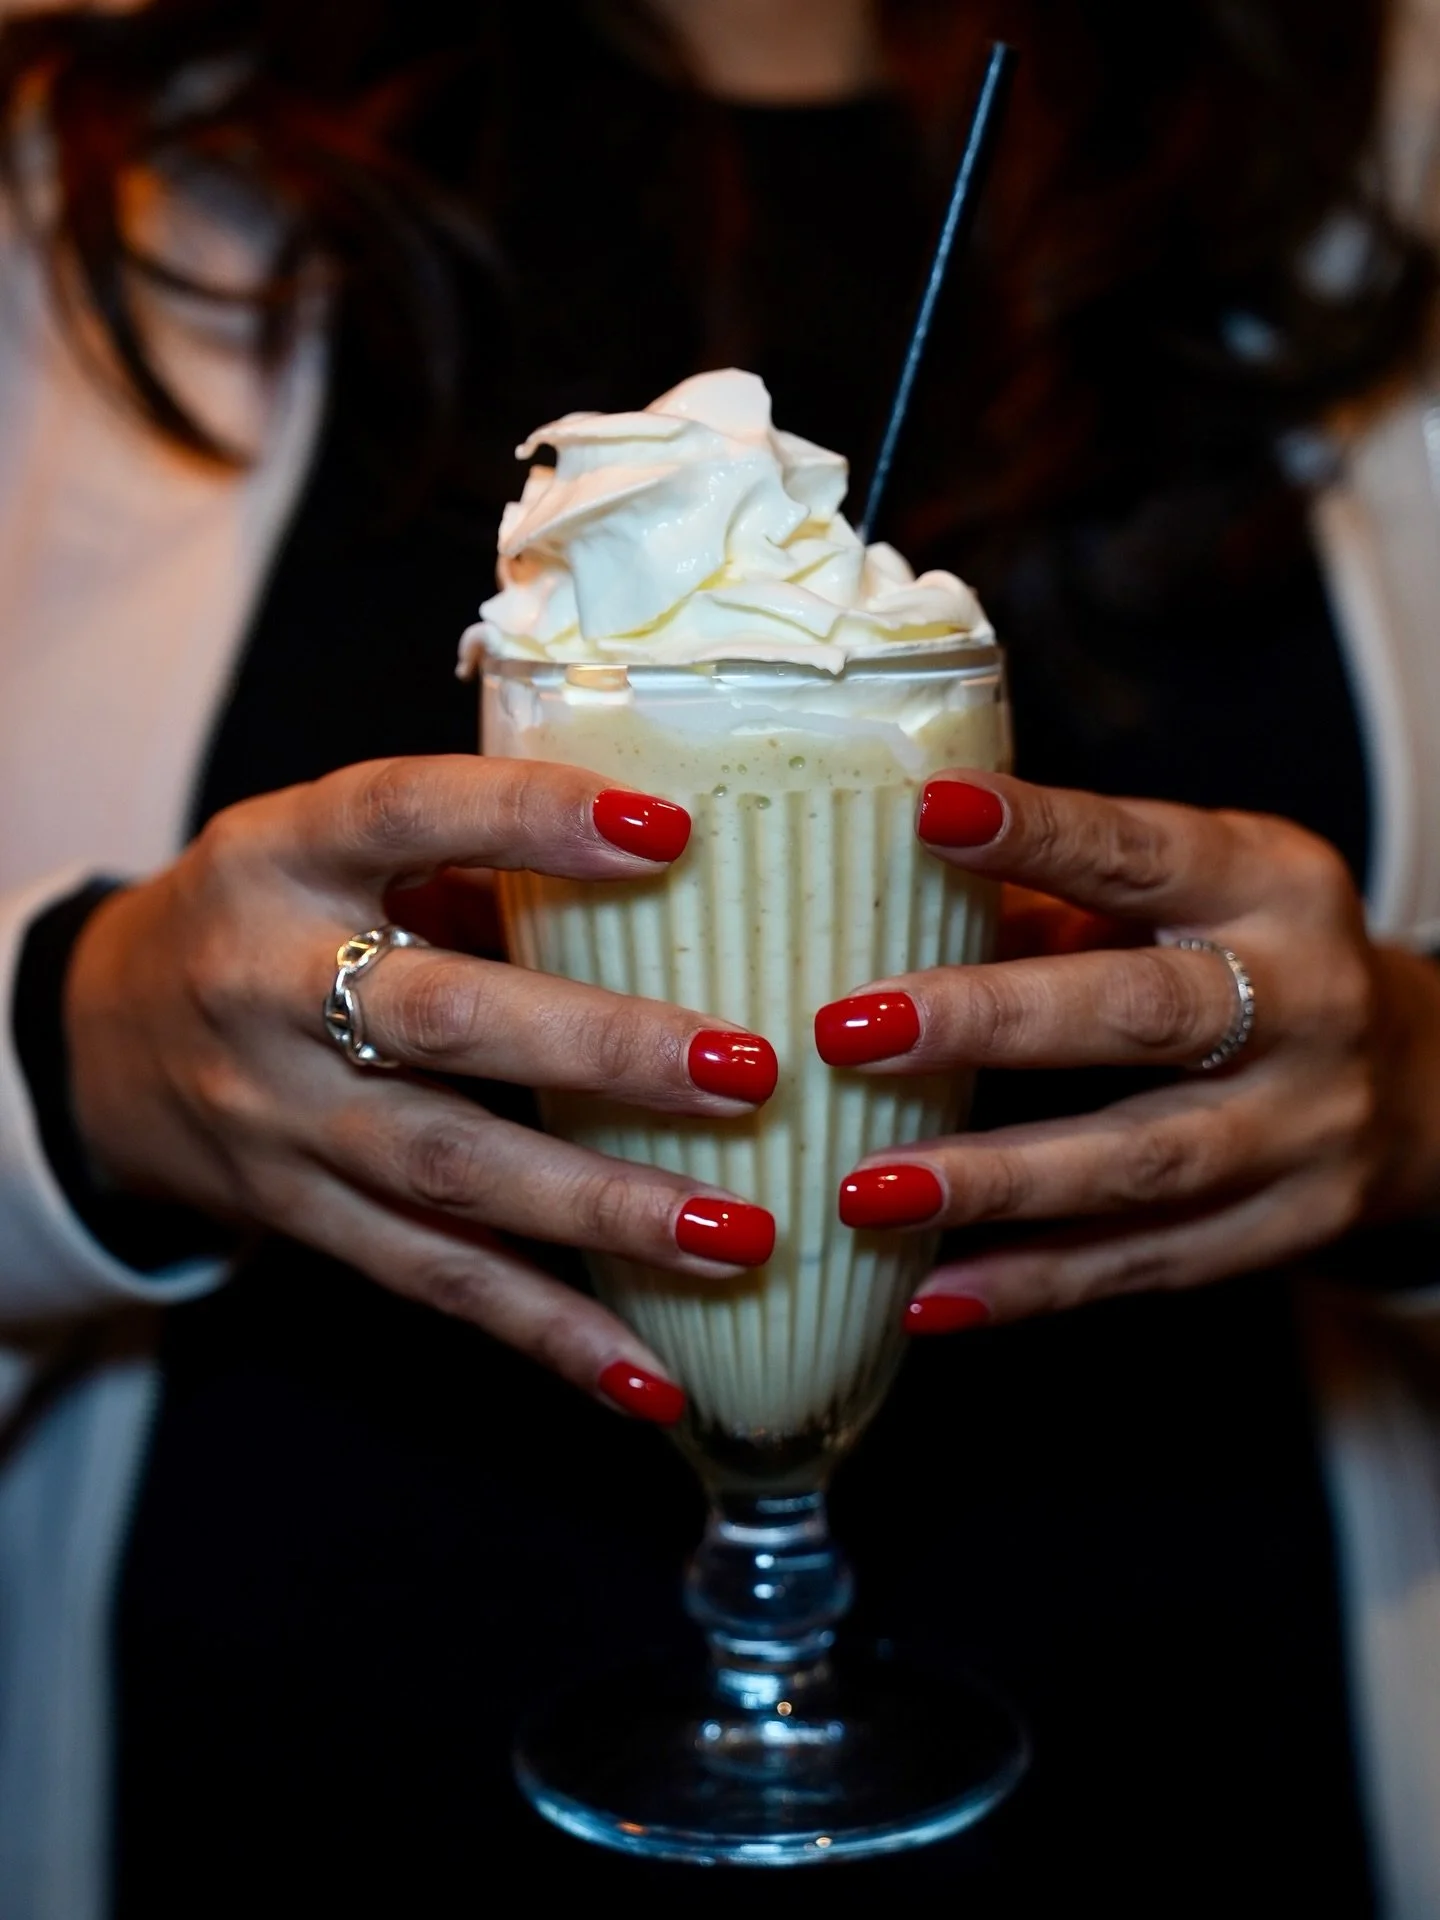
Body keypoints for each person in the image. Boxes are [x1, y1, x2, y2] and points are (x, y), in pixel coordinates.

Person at [0, 0, 1437, 1913]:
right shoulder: (87, 183)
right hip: (285, 1768)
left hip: (1213, 1767)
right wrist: (76, 1056)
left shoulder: (1374, 141)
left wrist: (1426, 1100)